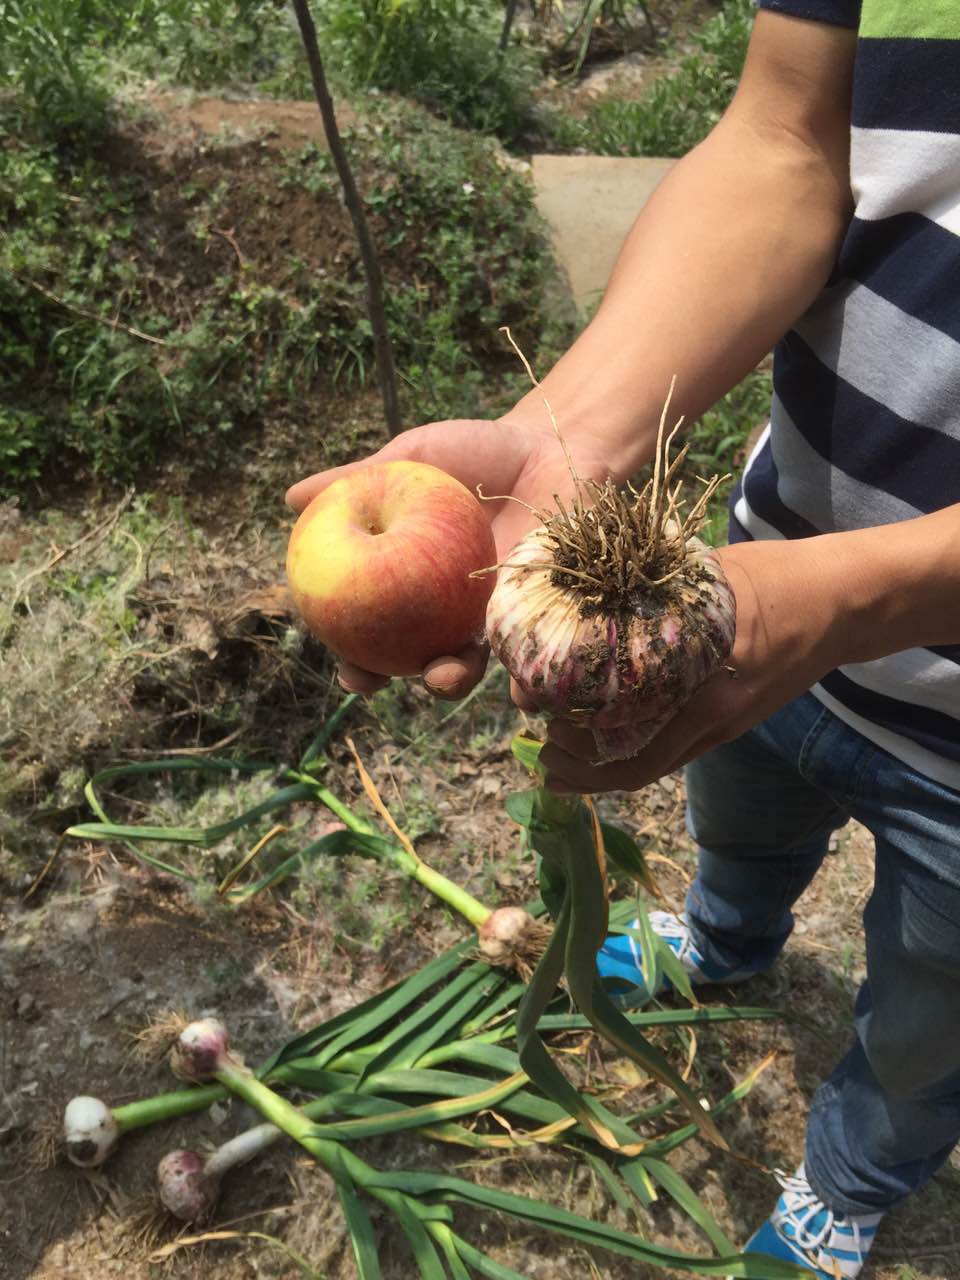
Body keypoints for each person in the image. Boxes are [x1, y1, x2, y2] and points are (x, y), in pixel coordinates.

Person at [287, 1, 960, 1274]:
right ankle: (724, 939)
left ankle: (851, 1178)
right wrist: (571, 436)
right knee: (740, 822)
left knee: (937, 1007)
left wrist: (843, 599)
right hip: (753, 587)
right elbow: (784, 138)